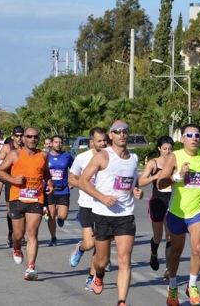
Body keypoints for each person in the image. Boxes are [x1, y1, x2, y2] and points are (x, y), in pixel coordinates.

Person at [79, 120, 143, 306]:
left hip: (125, 215)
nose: (122, 134)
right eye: (118, 131)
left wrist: (136, 190)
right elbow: (83, 181)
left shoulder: (134, 158)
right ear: (111, 135)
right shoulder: (102, 156)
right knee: (102, 260)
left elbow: (132, 182)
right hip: (102, 214)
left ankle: (121, 302)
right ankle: (98, 274)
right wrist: (102, 197)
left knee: (125, 260)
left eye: (125, 131)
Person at [157, 124, 200, 306]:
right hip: (177, 212)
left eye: (197, 135)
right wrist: (178, 175)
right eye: (189, 135)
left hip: (198, 210)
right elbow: (160, 183)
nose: (194, 138)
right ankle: (173, 286)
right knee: (176, 252)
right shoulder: (175, 156)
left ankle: (191, 285)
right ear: (182, 139)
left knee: (198, 249)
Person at [0, 127, 54, 280]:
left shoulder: (43, 155)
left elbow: (46, 171)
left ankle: (30, 268)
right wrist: (13, 180)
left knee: (32, 233)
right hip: (17, 198)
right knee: (18, 235)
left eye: (35, 136)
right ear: (24, 138)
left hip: (36, 198)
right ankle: (16, 247)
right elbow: (0, 171)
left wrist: (49, 183)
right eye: (29, 136)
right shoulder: (15, 154)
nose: (32, 139)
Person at [68, 127, 108, 291]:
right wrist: (85, 185)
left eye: (105, 140)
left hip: (105, 208)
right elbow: (71, 179)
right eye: (99, 141)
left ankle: (91, 278)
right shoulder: (82, 158)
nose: (103, 143)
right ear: (92, 142)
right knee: (90, 244)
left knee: (99, 246)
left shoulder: (112, 158)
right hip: (87, 205)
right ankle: (80, 247)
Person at [138, 136, 174, 281]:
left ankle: (168, 268)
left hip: (172, 200)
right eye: (164, 149)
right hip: (158, 200)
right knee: (158, 236)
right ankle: (153, 253)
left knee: (170, 235)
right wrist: (155, 177)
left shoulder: (175, 161)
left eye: (170, 149)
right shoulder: (153, 163)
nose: (167, 151)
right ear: (159, 148)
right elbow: (140, 181)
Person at [0, 126, 25, 247]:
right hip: (11, 181)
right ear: (12, 136)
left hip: (25, 182)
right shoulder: (7, 147)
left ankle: (21, 234)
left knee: (25, 208)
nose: (19, 138)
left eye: (21, 135)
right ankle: (11, 233)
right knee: (10, 210)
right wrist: (8, 165)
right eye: (16, 136)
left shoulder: (27, 147)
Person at [46, 135, 73, 246]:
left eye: (60, 142)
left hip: (63, 190)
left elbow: (75, 169)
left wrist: (72, 180)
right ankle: (53, 237)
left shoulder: (67, 156)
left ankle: (60, 218)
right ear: (51, 143)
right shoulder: (45, 156)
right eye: (56, 142)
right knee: (51, 215)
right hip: (50, 190)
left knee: (62, 215)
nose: (58, 144)